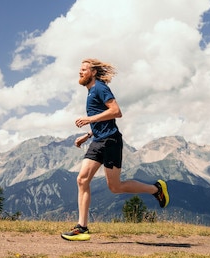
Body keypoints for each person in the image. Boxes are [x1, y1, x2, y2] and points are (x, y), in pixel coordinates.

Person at [61, 58, 169, 241]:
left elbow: (116, 112)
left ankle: (155, 189)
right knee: (82, 179)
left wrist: (89, 120)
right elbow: (104, 120)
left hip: (111, 141)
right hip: (99, 141)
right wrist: (88, 135)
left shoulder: (100, 88)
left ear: (93, 72)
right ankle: (82, 228)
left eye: (84, 69)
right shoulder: (90, 91)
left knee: (115, 187)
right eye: (80, 69)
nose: (80, 72)